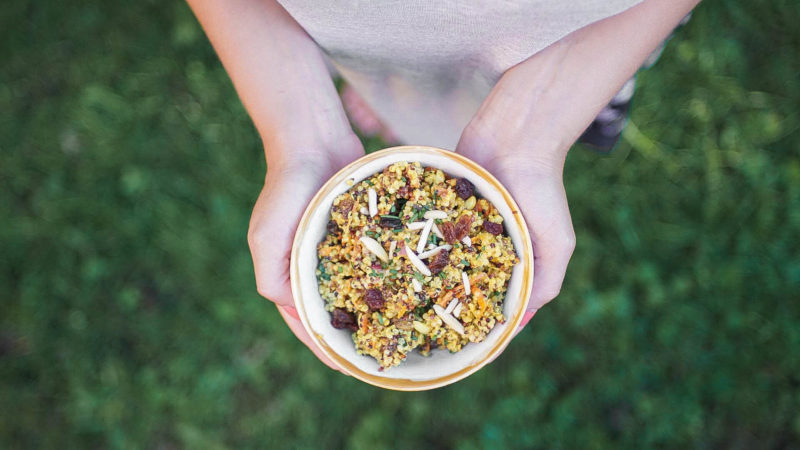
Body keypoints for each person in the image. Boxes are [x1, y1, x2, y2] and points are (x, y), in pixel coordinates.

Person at [187, 0, 700, 371]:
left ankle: (407, 102)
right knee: (405, 92)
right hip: (365, 33)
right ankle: (402, 96)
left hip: (590, 30)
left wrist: (542, 121)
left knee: (422, 121)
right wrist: (299, 129)